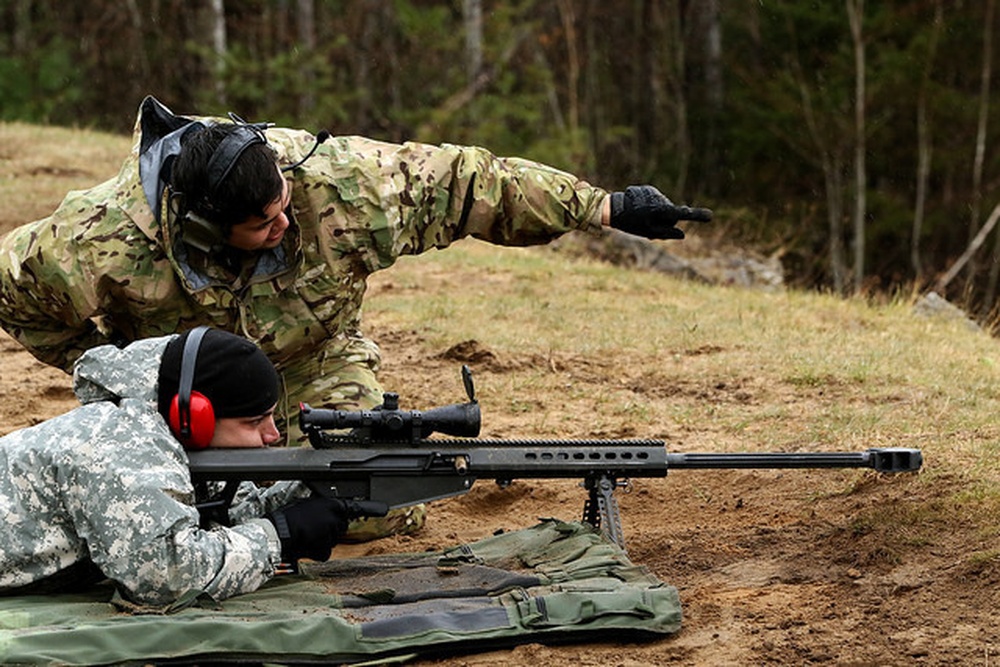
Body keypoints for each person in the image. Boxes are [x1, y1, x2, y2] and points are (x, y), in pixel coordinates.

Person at [0, 96, 712, 446]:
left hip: (314, 363)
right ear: (209, 228)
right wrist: (120, 370)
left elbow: (467, 183)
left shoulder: (343, 186)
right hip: (182, 391)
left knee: (366, 502)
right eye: (263, 225)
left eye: (285, 205)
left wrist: (604, 207)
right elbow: (11, 291)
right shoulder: (99, 238)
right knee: (159, 506)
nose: (285, 226)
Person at [0, 327, 352, 606]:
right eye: (254, 421)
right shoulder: (122, 446)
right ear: (194, 416)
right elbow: (166, 577)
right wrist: (279, 535)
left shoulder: (161, 427)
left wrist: (312, 493)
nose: (273, 434)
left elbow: (223, 515)